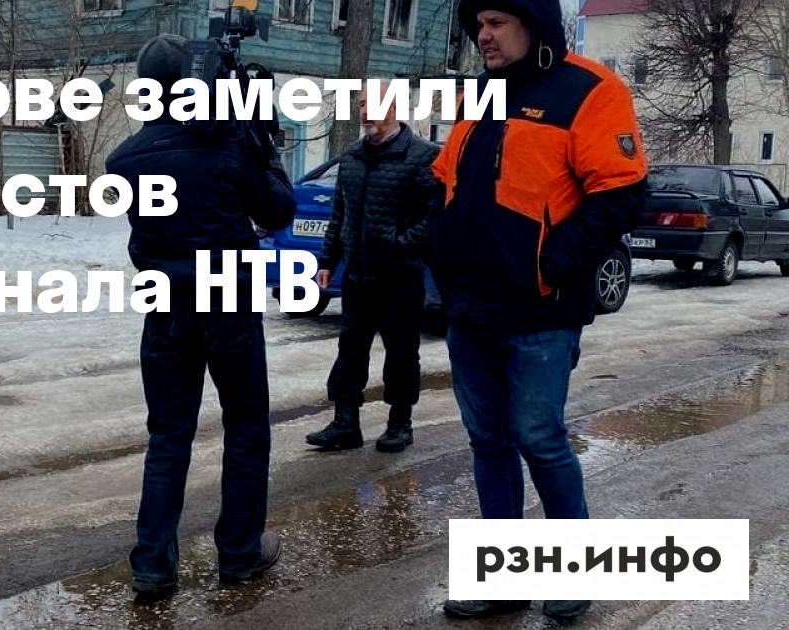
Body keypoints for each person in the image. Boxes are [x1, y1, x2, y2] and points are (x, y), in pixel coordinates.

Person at [429, 0, 647, 622]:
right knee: (488, 443)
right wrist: (435, 246)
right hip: (472, 310)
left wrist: (551, 266)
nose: (483, 35)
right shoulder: (481, 95)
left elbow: (621, 194)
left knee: (540, 440)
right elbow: (447, 182)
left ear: (535, 24)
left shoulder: (590, 91)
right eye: (478, 25)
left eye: (496, 22)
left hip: (541, 314)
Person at [105, 34, 298, 602]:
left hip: (165, 304)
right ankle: (239, 553)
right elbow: (277, 210)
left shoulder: (125, 160)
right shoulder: (230, 143)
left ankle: (152, 565)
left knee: (168, 436)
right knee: (246, 427)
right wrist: (261, 141)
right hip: (227, 303)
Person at [305, 78, 444, 453]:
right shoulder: (352, 156)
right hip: (358, 275)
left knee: (401, 354)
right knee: (350, 350)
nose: (365, 111)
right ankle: (345, 423)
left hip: (400, 277)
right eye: (362, 104)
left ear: (395, 108)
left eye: (374, 104)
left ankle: (400, 423)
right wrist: (328, 260)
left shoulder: (421, 156)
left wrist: (399, 244)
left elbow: (433, 216)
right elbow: (340, 213)